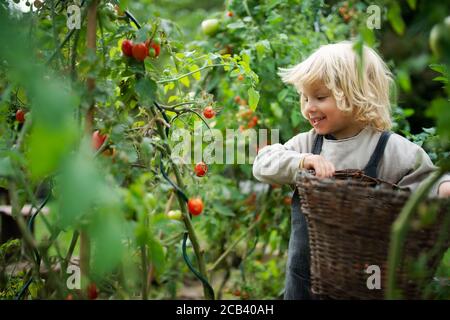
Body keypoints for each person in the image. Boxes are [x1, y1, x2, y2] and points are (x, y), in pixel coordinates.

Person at [252, 41, 450, 300]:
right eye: (305, 97)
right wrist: (302, 161)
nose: (309, 107)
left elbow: (427, 179)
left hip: (365, 279)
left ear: (357, 94)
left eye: (320, 97)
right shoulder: (307, 144)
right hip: (305, 278)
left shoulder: (389, 148)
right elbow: (263, 163)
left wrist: (443, 187)